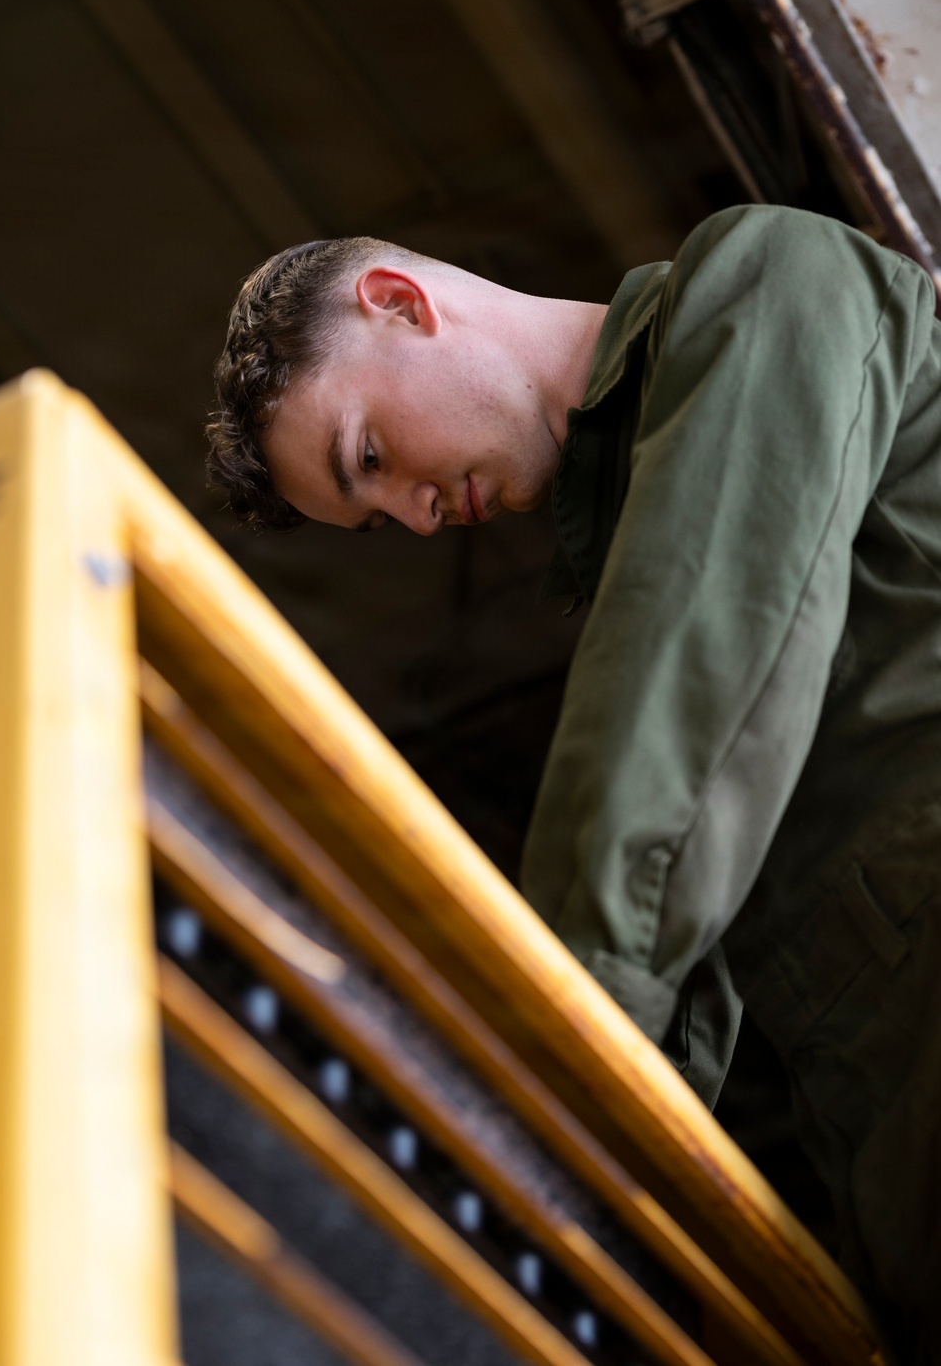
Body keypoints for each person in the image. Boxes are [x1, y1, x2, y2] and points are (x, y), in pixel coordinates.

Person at [207, 204, 941, 1362]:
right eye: (373, 514)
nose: (414, 516)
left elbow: (696, 684)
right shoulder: (631, 577)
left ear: (399, 304)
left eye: (370, 457)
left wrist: (529, 1114)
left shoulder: (761, 280)